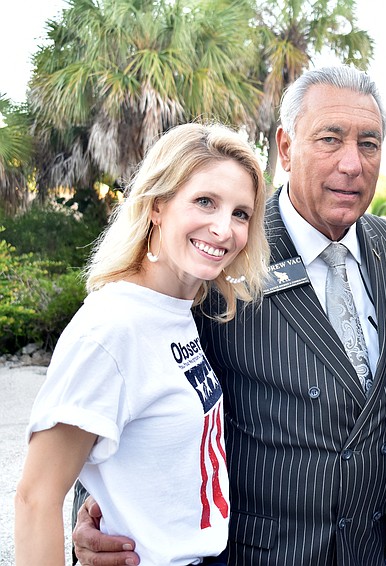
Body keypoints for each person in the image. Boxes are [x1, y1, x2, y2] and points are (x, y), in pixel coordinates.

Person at [72, 66, 386, 566]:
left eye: (369, 144)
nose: (352, 163)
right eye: (330, 139)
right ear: (285, 147)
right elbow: (118, 378)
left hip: (368, 553)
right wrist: (90, 517)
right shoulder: (224, 250)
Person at [15, 122, 269, 566]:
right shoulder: (111, 327)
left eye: (240, 213)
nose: (223, 229)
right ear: (157, 206)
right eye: (204, 202)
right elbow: (36, 498)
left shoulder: (175, 311)